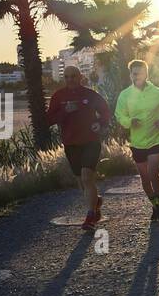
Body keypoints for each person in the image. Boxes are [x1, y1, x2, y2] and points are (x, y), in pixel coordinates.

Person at [46, 65, 111, 231]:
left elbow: (105, 112)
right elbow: (48, 120)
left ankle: (89, 217)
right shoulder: (58, 96)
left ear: (80, 76)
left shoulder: (90, 95)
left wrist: (100, 124)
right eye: (67, 77)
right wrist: (65, 112)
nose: (70, 79)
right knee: (81, 182)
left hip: (91, 141)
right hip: (70, 144)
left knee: (87, 177)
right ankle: (96, 202)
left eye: (73, 76)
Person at [115, 59, 159, 222]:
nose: (137, 76)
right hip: (137, 142)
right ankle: (156, 204)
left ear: (146, 73)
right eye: (134, 73)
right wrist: (129, 122)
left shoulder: (157, 92)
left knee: (153, 173)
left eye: (140, 73)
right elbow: (120, 114)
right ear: (131, 75)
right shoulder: (125, 95)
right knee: (145, 178)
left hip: (156, 140)